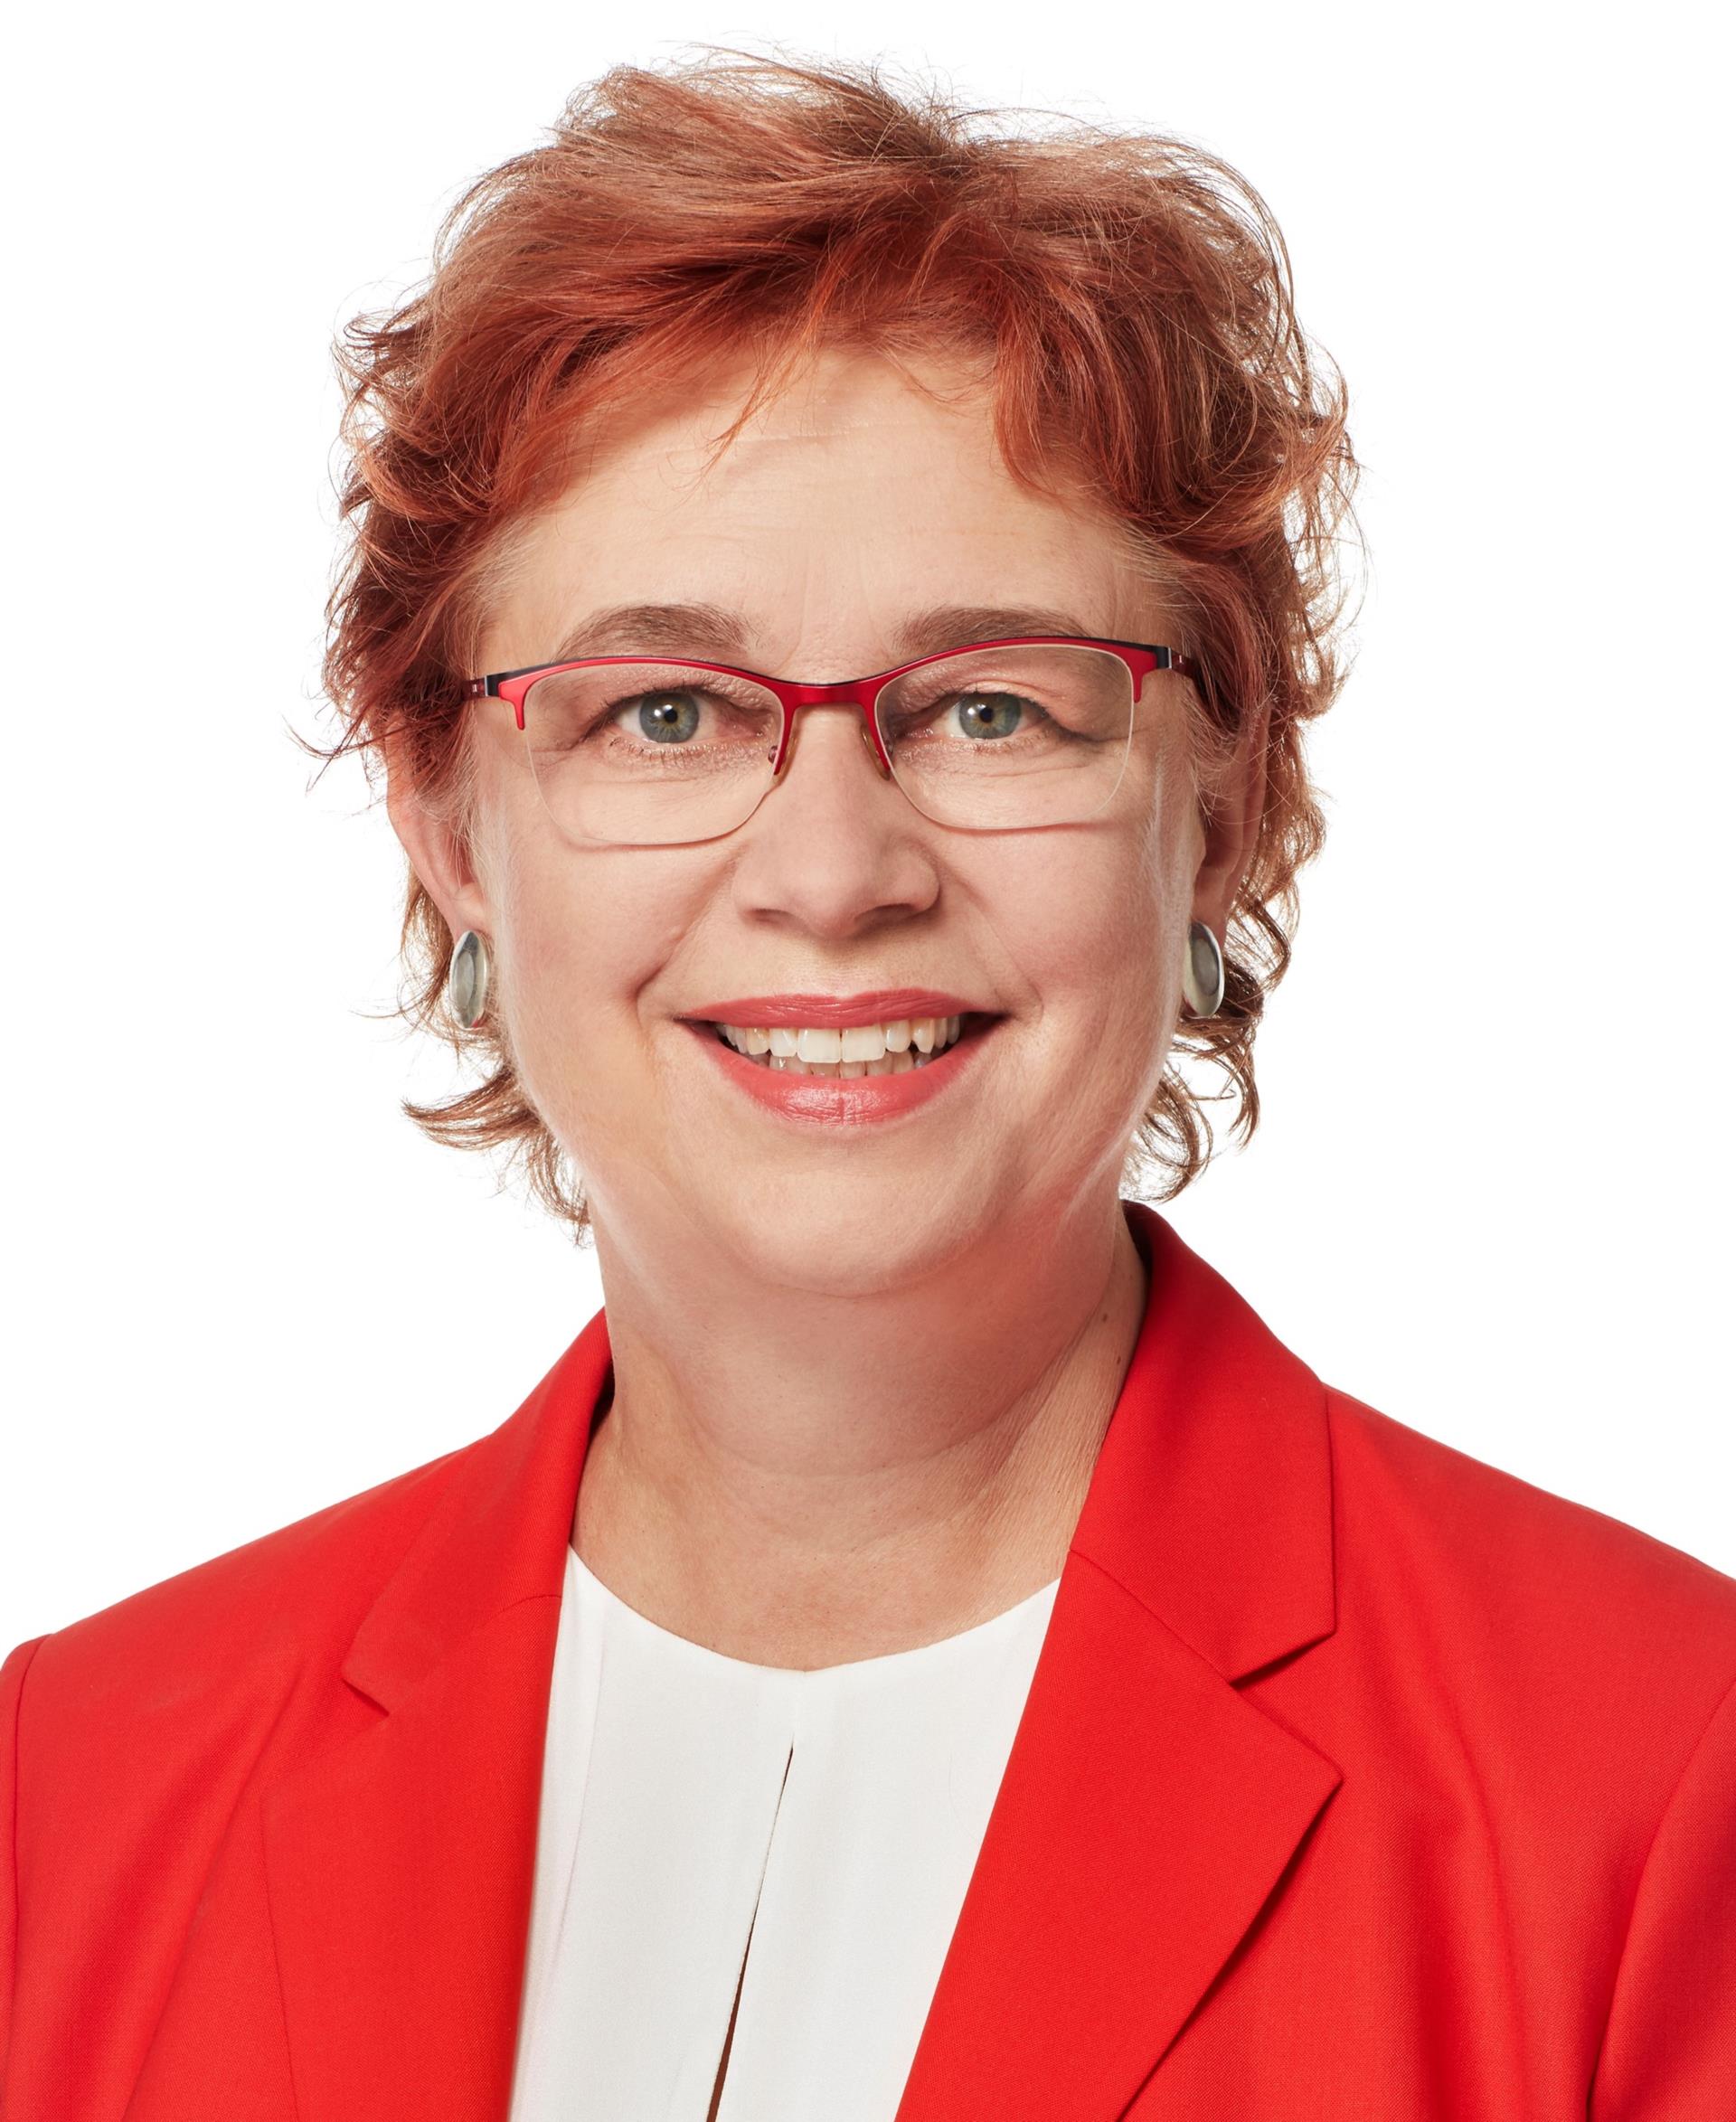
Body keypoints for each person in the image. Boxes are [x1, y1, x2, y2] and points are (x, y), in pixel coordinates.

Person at [2, 50, 1731, 2122]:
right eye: (662, 711)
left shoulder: (1659, 1784)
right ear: (449, 823)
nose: (832, 874)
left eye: (992, 706)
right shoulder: (67, 1794)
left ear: (1226, 802)